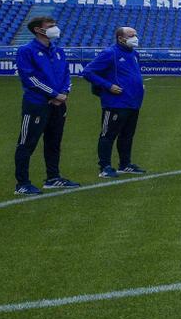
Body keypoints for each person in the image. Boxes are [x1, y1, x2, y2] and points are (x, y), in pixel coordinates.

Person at [15, 14, 78, 193]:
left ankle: (53, 177)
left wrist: (64, 93)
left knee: (54, 142)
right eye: (51, 25)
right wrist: (53, 94)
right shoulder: (26, 50)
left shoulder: (59, 51)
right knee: (27, 143)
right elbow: (29, 78)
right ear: (38, 29)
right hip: (36, 104)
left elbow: (66, 74)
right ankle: (22, 183)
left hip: (59, 104)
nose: (54, 28)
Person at [84, 25, 147, 177]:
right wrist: (108, 86)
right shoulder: (110, 53)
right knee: (108, 135)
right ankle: (104, 167)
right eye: (131, 36)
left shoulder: (134, 54)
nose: (135, 38)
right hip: (115, 103)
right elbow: (88, 71)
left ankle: (125, 164)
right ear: (120, 38)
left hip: (133, 102)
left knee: (127, 135)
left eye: (135, 35)